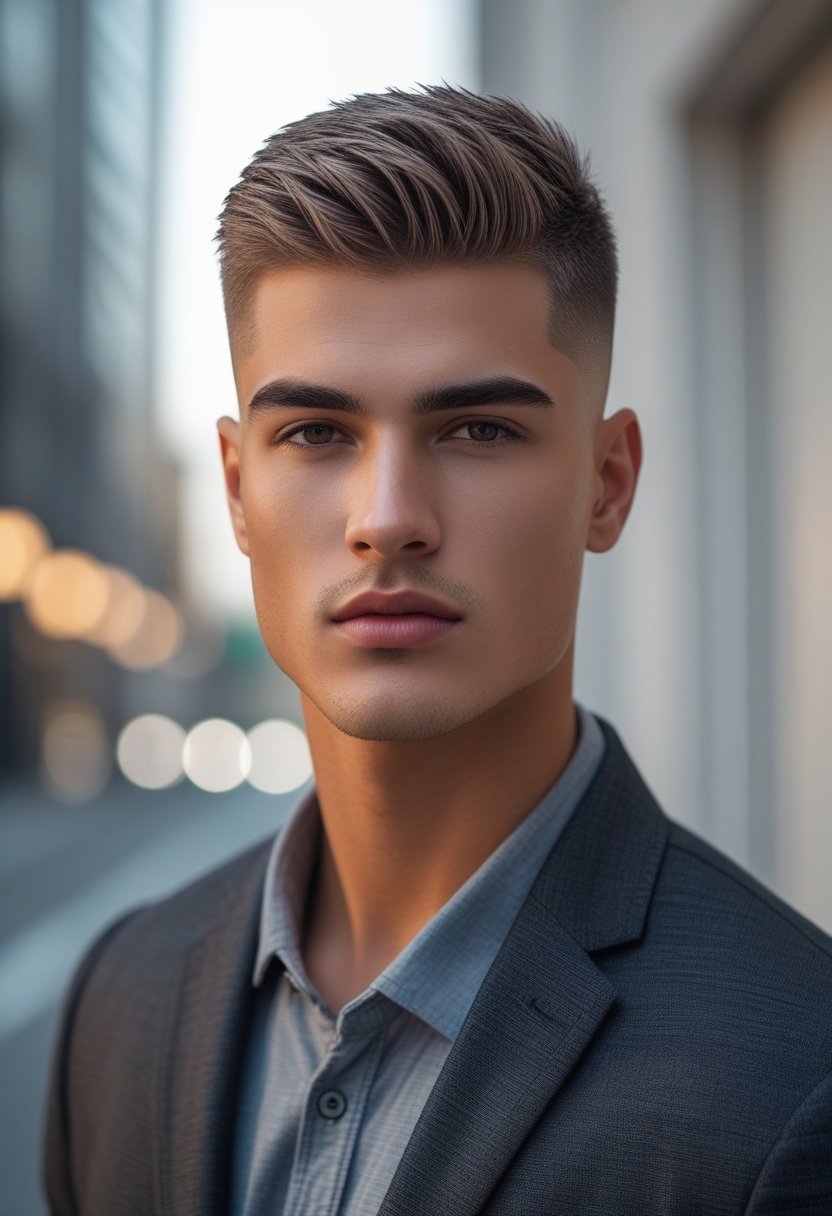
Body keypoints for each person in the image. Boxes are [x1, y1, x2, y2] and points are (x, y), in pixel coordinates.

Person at [44, 85, 832, 1215]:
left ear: (606, 484)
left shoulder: (795, 1077)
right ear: (236, 489)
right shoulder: (121, 996)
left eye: (478, 429)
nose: (387, 518)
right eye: (316, 432)